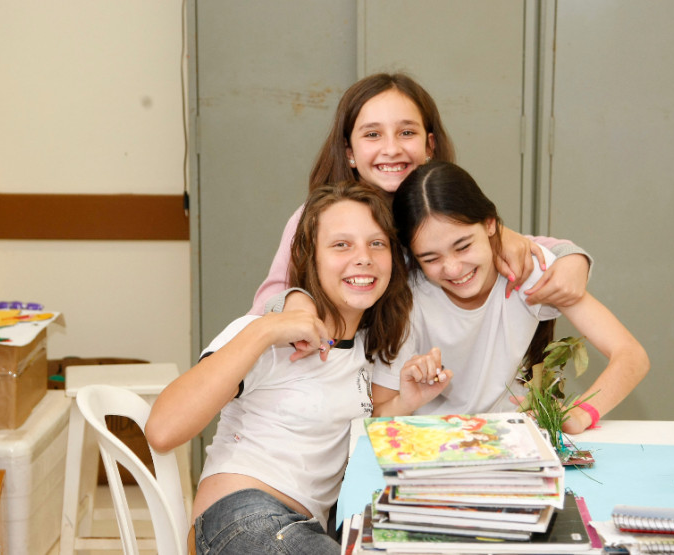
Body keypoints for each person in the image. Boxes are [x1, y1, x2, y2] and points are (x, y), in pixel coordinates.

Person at [145, 182, 450, 554]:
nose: (364, 257)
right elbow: (162, 430)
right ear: (311, 258)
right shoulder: (267, 334)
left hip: (308, 530)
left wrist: (406, 401)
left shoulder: (363, 350)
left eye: (377, 243)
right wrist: (266, 328)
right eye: (341, 244)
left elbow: (351, 436)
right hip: (240, 518)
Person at [250, 72, 593, 321]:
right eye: (372, 134)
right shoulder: (315, 218)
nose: (391, 148)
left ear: (429, 146)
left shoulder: (442, 208)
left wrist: (573, 259)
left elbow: (545, 249)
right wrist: (297, 302)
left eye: (406, 132)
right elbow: (268, 300)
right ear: (349, 152)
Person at [371, 161, 650, 435]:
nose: (453, 268)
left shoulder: (529, 272)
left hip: (512, 442)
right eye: (430, 258)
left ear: (490, 225)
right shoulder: (404, 297)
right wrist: (408, 400)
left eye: (464, 246)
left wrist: (581, 413)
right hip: (433, 445)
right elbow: (378, 414)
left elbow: (631, 355)